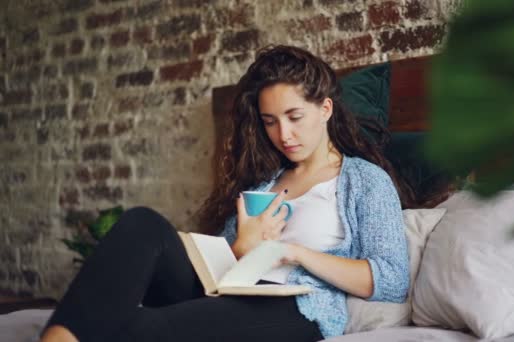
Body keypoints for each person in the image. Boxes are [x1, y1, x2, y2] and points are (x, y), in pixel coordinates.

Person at [40, 45, 413, 342]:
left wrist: (292, 252)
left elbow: (391, 281)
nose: (283, 134)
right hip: (232, 289)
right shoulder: (264, 184)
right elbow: (222, 268)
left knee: (133, 327)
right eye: (270, 121)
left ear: (325, 109)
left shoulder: (364, 180)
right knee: (142, 224)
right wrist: (241, 247)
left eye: (294, 117)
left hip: (296, 307)